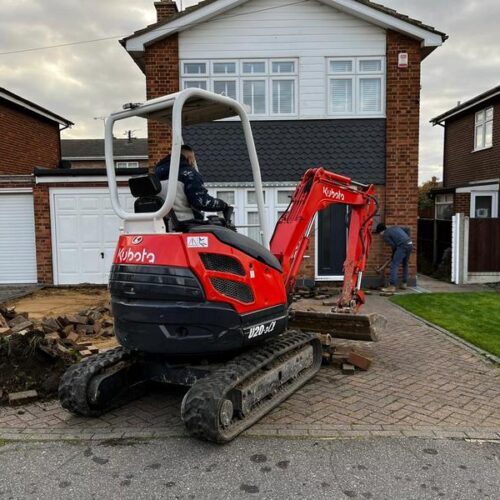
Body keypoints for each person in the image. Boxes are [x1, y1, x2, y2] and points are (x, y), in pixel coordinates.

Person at [154, 144, 229, 229]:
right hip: (184, 224)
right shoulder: (189, 174)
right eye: (193, 160)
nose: (193, 163)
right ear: (189, 159)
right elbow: (201, 202)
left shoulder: (156, 175)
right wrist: (223, 205)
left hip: (163, 225)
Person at [374, 223, 413, 292]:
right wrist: (407, 239)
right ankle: (404, 283)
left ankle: (392, 286)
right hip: (409, 244)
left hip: (402, 246)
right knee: (405, 264)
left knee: (394, 265)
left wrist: (394, 255)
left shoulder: (386, 235)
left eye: (379, 233)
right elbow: (407, 229)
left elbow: (394, 246)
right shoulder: (395, 227)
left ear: (381, 231)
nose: (380, 235)